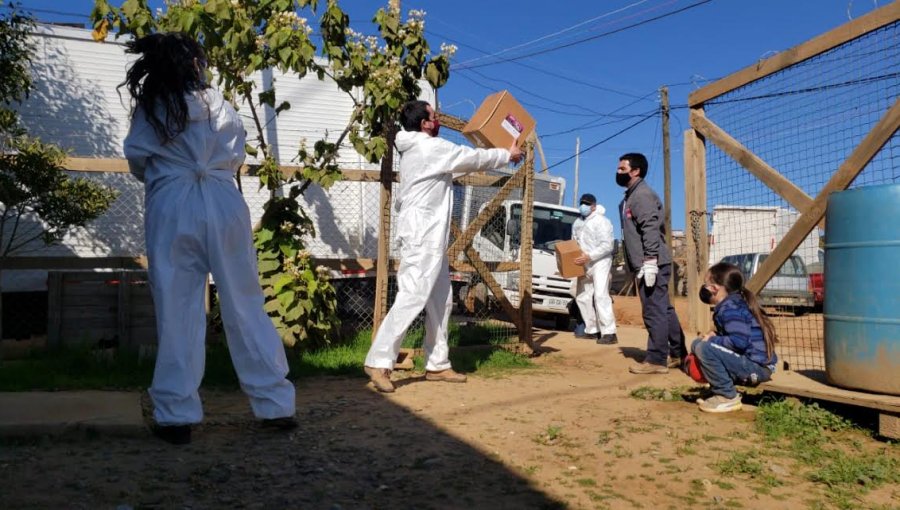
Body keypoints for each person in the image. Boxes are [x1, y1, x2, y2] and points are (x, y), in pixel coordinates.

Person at [122, 33, 297, 444]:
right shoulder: (220, 103)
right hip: (223, 199)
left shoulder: (153, 107)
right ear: (194, 65)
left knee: (177, 307)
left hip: (172, 203)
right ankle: (275, 406)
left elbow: (137, 158)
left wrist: (171, 172)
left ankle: (175, 415)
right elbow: (235, 154)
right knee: (245, 302)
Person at [363, 100, 524, 393]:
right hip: (422, 235)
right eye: (434, 117)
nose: (437, 121)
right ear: (425, 124)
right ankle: (379, 360)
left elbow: (458, 167)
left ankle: (437, 364)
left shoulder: (423, 151)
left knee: (441, 299)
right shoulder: (430, 148)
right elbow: (470, 158)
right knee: (413, 295)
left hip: (429, 236)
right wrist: (507, 154)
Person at [616, 153, 686, 374]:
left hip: (652, 262)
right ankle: (678, 354)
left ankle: (656, 360)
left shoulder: (642, 196)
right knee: (663, 309)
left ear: (635, 171)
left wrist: (649, 261)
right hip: (650, 262)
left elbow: (650, 228)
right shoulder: (631, 196)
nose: (618, 171)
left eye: (622, 168)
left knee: (654, 311)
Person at [692, 262, 778, 413]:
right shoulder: (731, 304)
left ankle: (727, 396)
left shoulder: (731, 308)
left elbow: (739, 342)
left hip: (757, 369)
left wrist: (712, 340)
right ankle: (718, 387)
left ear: (714, 288)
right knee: (698, 344)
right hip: (751, 363)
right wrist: (716, 336)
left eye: (706, 284)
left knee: (703, 348)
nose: (703, 288)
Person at [571, 193, 617, 344]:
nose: (583, 206)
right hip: (583, 263)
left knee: (600, 295)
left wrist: (589, 256)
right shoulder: (577, 223)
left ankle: (609, 332)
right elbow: (574, 243)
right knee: (582, 296)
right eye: (582, 203)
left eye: (586, 203)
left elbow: (607, 245)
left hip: (600, 262)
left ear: (594, 206)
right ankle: (592, 329)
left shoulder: (602, 221)